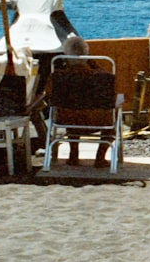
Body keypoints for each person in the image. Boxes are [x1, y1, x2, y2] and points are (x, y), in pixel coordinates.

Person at [47, 36, 114, 168]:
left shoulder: (58, 77)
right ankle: (100, 158)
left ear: (66, 56)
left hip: (67, 120)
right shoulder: (103, 77)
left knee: (71, 110)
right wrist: (92, 62)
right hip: (98, 121)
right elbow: (111, 91)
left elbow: (50, 97)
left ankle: (73, 155)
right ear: (86, 56)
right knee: (111, 115)